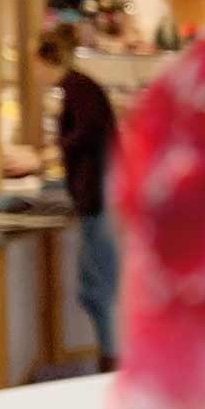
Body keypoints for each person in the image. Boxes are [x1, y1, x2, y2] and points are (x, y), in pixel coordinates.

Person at [37, 29, 122, 372]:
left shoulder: (77, 89)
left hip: (99, 198)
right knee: (97, 284)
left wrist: (45, 156)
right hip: (101, 197)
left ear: (46, 60)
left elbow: (85, 135)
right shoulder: (81, 87)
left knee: (97, 286)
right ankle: (111, 357)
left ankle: (112, 361)